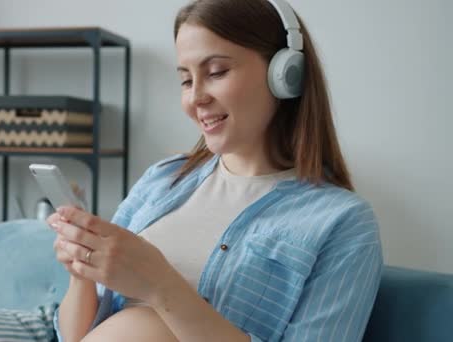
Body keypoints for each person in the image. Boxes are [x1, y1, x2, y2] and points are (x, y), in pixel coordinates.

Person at [48, 0, 383, 341]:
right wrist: (82, 272)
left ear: (285, 75)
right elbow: (73, 337)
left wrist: (160, 286)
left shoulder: (342, 222)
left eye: (217, 72)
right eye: (185, 80)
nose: (195, 98)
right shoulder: (162, 179)